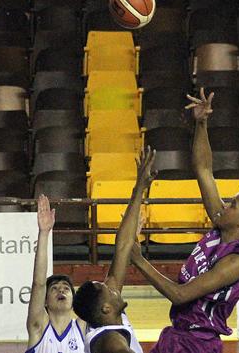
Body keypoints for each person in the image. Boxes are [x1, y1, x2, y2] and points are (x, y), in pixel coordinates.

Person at [129, 88, 239, 353]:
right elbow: (204, 169)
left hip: (198, 344)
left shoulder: (236, 261)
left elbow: (180, 294)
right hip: (176, 334)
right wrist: (202, 123)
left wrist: (138, 259)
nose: (225, 204)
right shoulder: (221, 223)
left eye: (233, 205)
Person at [72, 147, 157, 353]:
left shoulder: (107, 323)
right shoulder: (111, 341)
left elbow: (122, 247)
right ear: (106, 308)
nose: (112, 284)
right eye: (107, 289)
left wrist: (139, 189)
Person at [26, 194, 86, 353]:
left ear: (74, 300)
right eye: (54, 288)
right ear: (44, 301)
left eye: (66, 288)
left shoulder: (83, 328)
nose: (61, 290)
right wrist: (44, 233)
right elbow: (39, 284)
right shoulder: (38, 327)